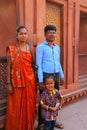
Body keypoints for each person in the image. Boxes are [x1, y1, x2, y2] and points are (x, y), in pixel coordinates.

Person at [5, 26, 36, 130]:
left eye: (25, 33)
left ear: (27, 35)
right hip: (16, 83)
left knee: (29, 105)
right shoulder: (11, 49)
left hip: (29, 81)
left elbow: (33, 65)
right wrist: (8, 83)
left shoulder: (31, 48)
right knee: (16, 107)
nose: (23, 36)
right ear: (17, 35)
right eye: (21, 34)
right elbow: (9, 68)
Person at [36, 25, 64, 129]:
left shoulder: (57, 48)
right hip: (46, 76)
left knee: (55, 98)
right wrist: (40, 80)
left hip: (56, 75)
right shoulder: (40, 47)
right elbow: (38, 64)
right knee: (43, 99)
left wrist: (61, 75)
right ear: (45, 34)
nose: (52, 34)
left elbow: (58, 62)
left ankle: (54, 120)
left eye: (54, 32)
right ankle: (41, 122)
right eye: (50, 32)